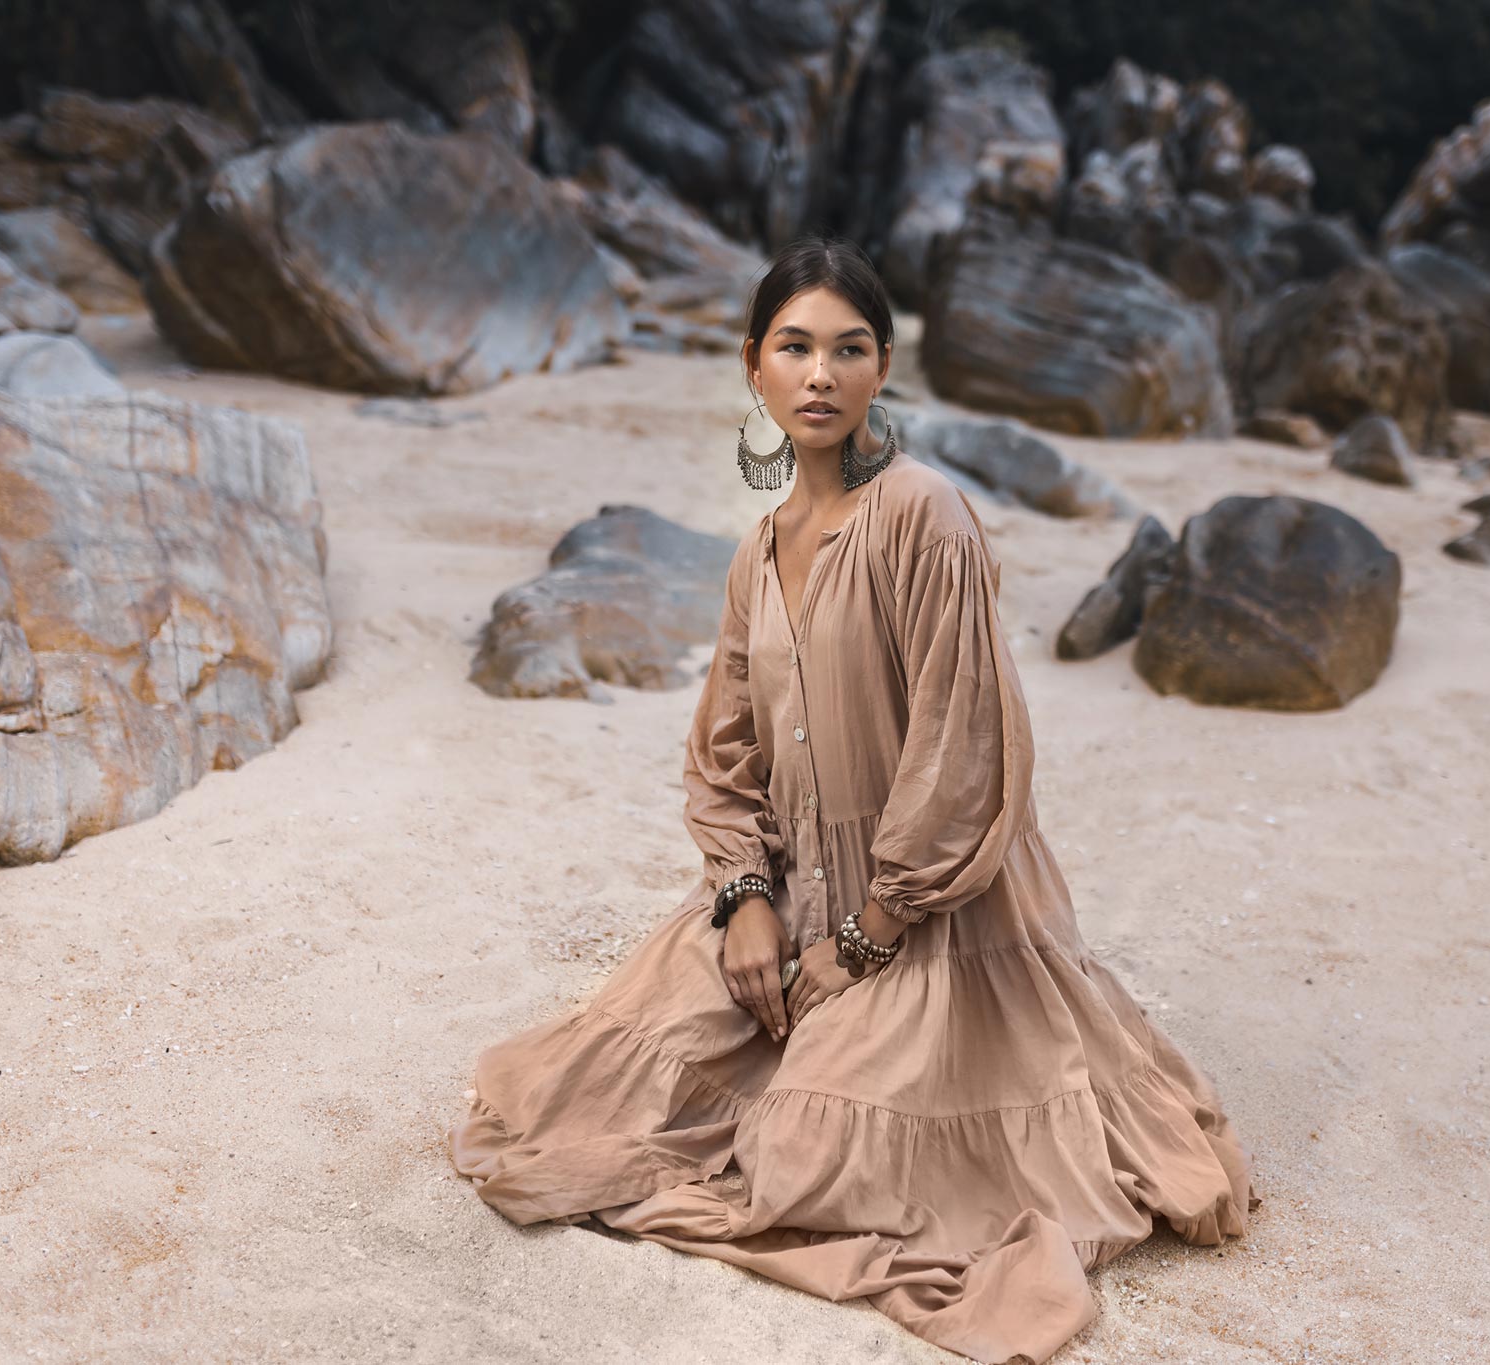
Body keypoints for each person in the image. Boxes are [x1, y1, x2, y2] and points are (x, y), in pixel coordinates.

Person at [448, 235, 1254, 1364]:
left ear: (881, 371)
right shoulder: (755, 550)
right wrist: (741, 901)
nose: (819, 375)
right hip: (790, 889)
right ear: (754, 368)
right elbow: (722, 756)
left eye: (848, 349)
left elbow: (961, 753)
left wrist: (867, 938)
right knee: (575, 1099)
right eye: (794, 348)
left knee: (805, 1163)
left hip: (931, 914)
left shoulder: (925, 513)